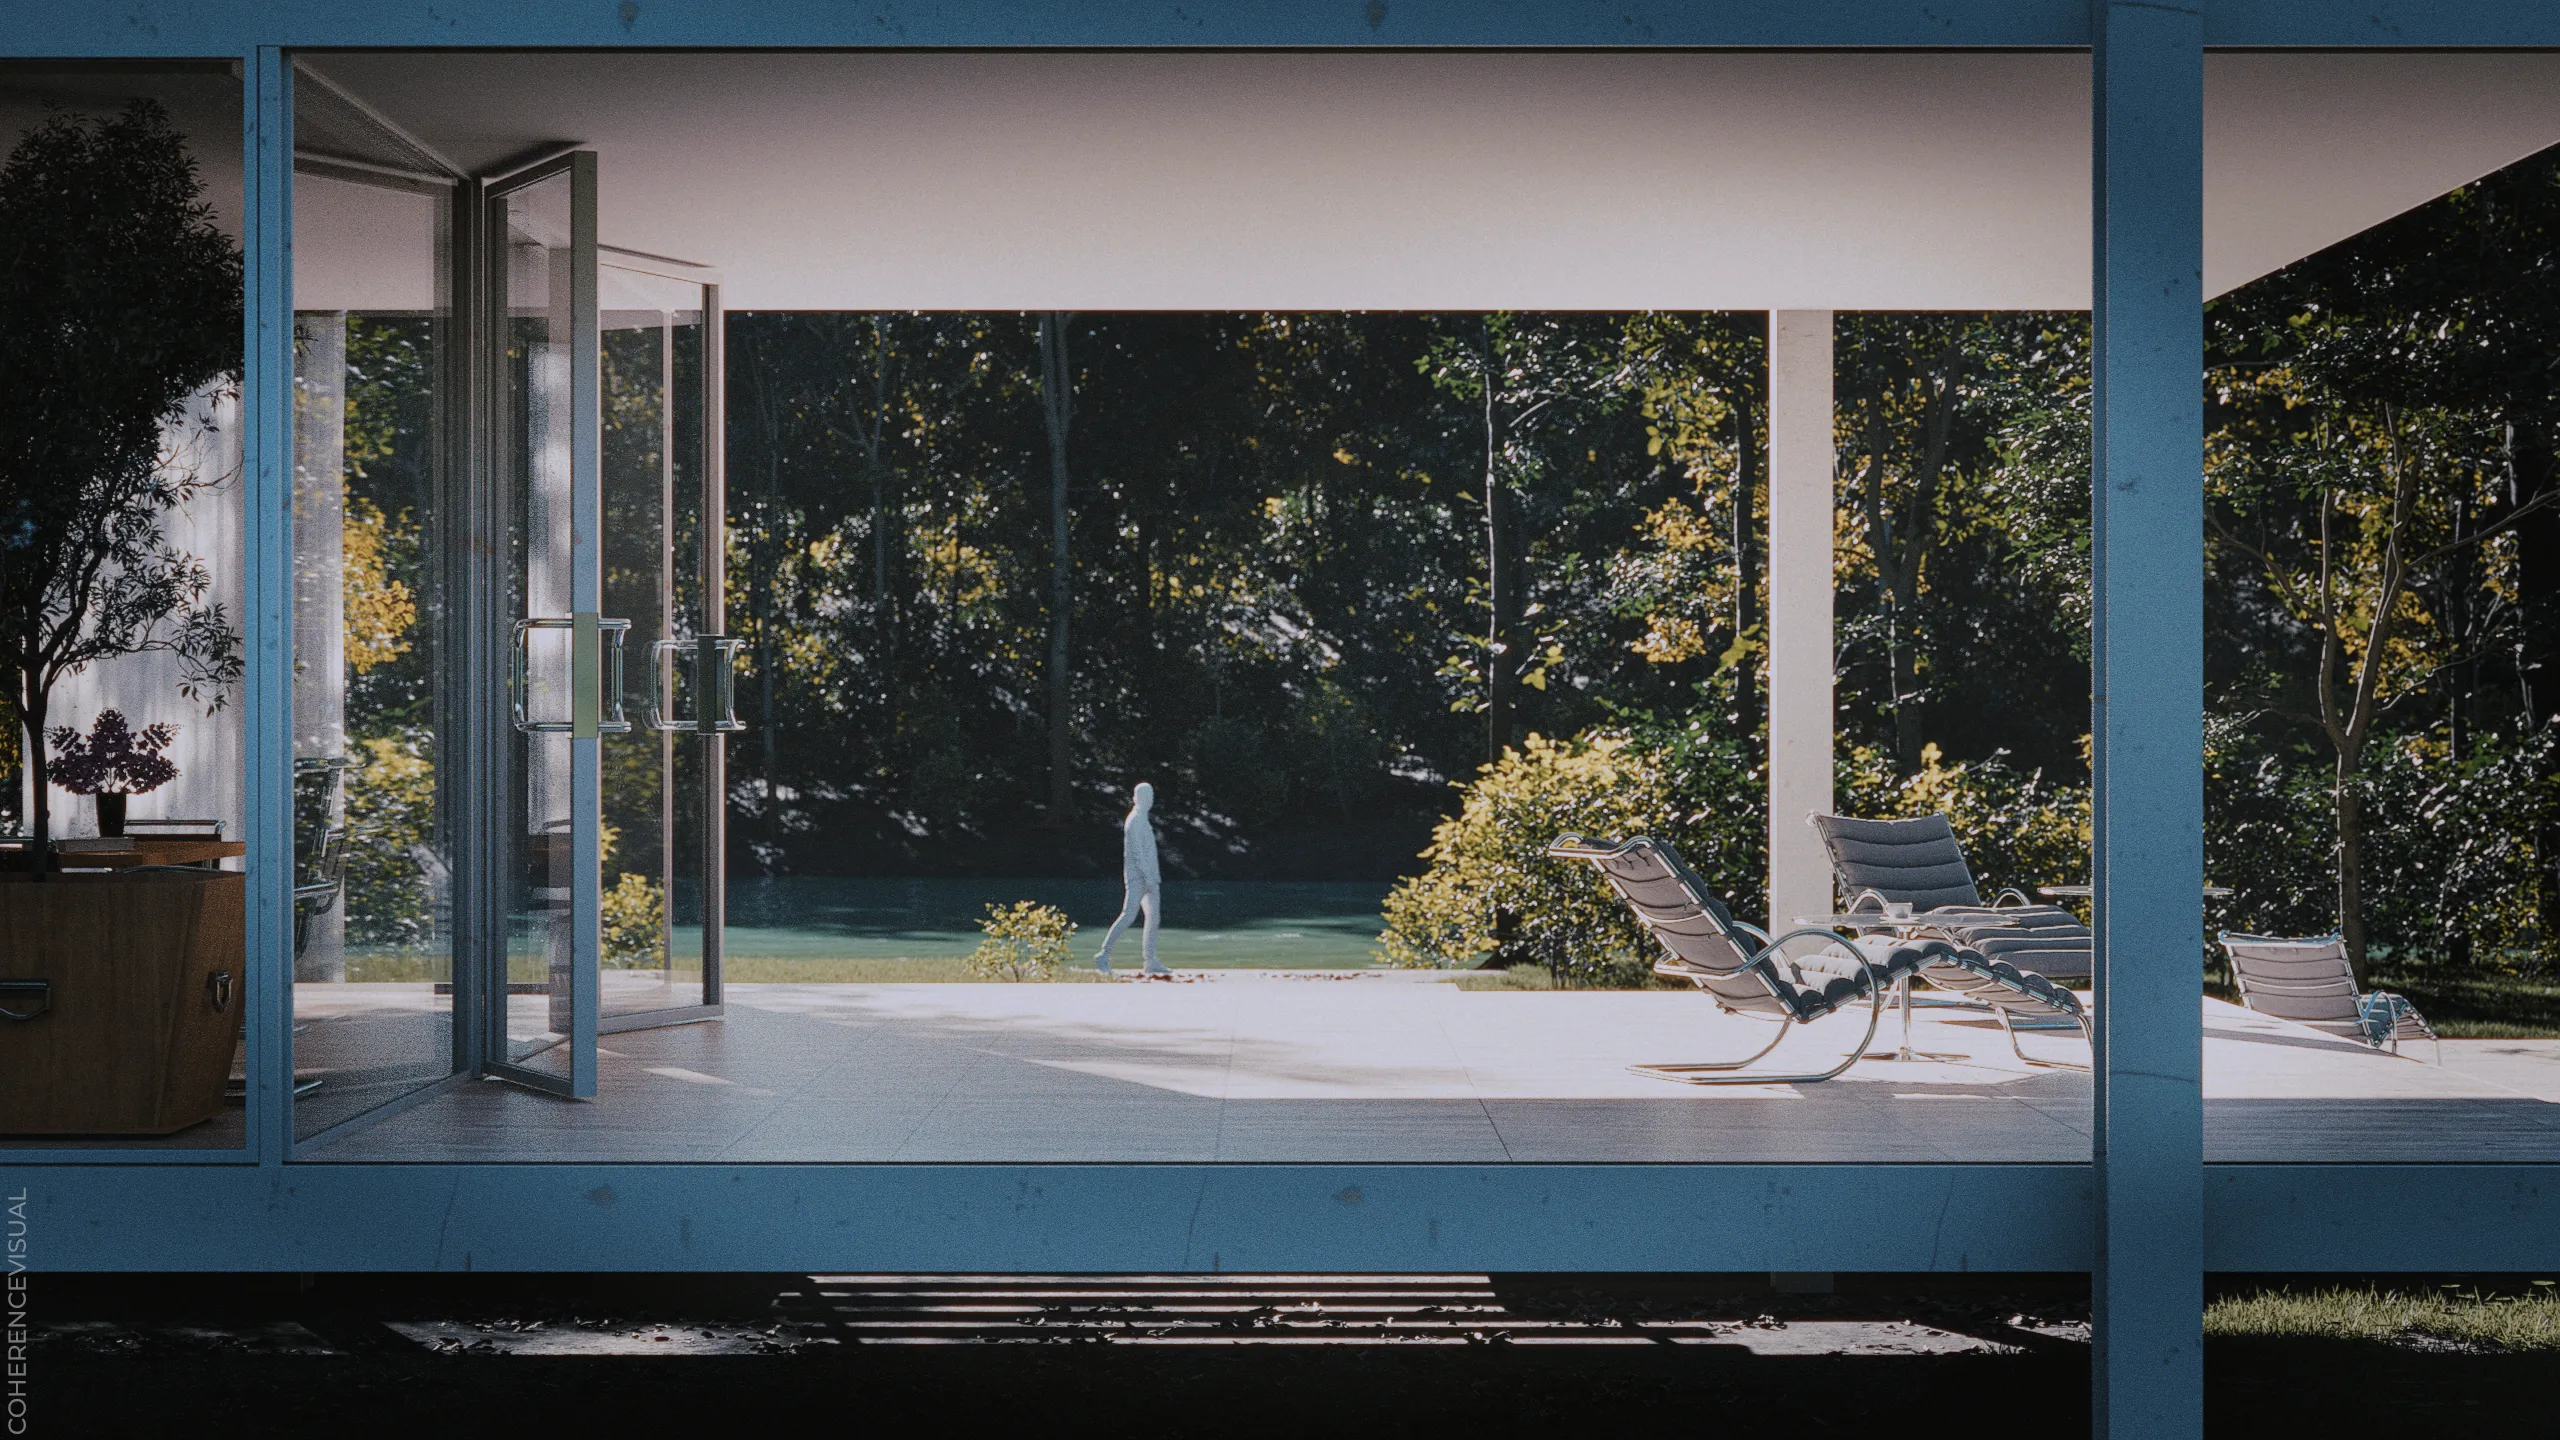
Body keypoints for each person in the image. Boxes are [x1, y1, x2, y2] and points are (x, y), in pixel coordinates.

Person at [1095, 781, 1170, 978]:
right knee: (1128, 914)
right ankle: (1103, 954)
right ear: (1137, 798)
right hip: (1139, 878)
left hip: (1151, 878)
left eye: (1151, 796)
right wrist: (1148, 877)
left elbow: (1149, 853)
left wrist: (1154, 877)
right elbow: (1137, 854)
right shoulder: (1134, 820)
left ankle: (1150, 960)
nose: (1150, 800)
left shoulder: (1143, 819)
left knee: (1153, 918)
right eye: (1146, 796)